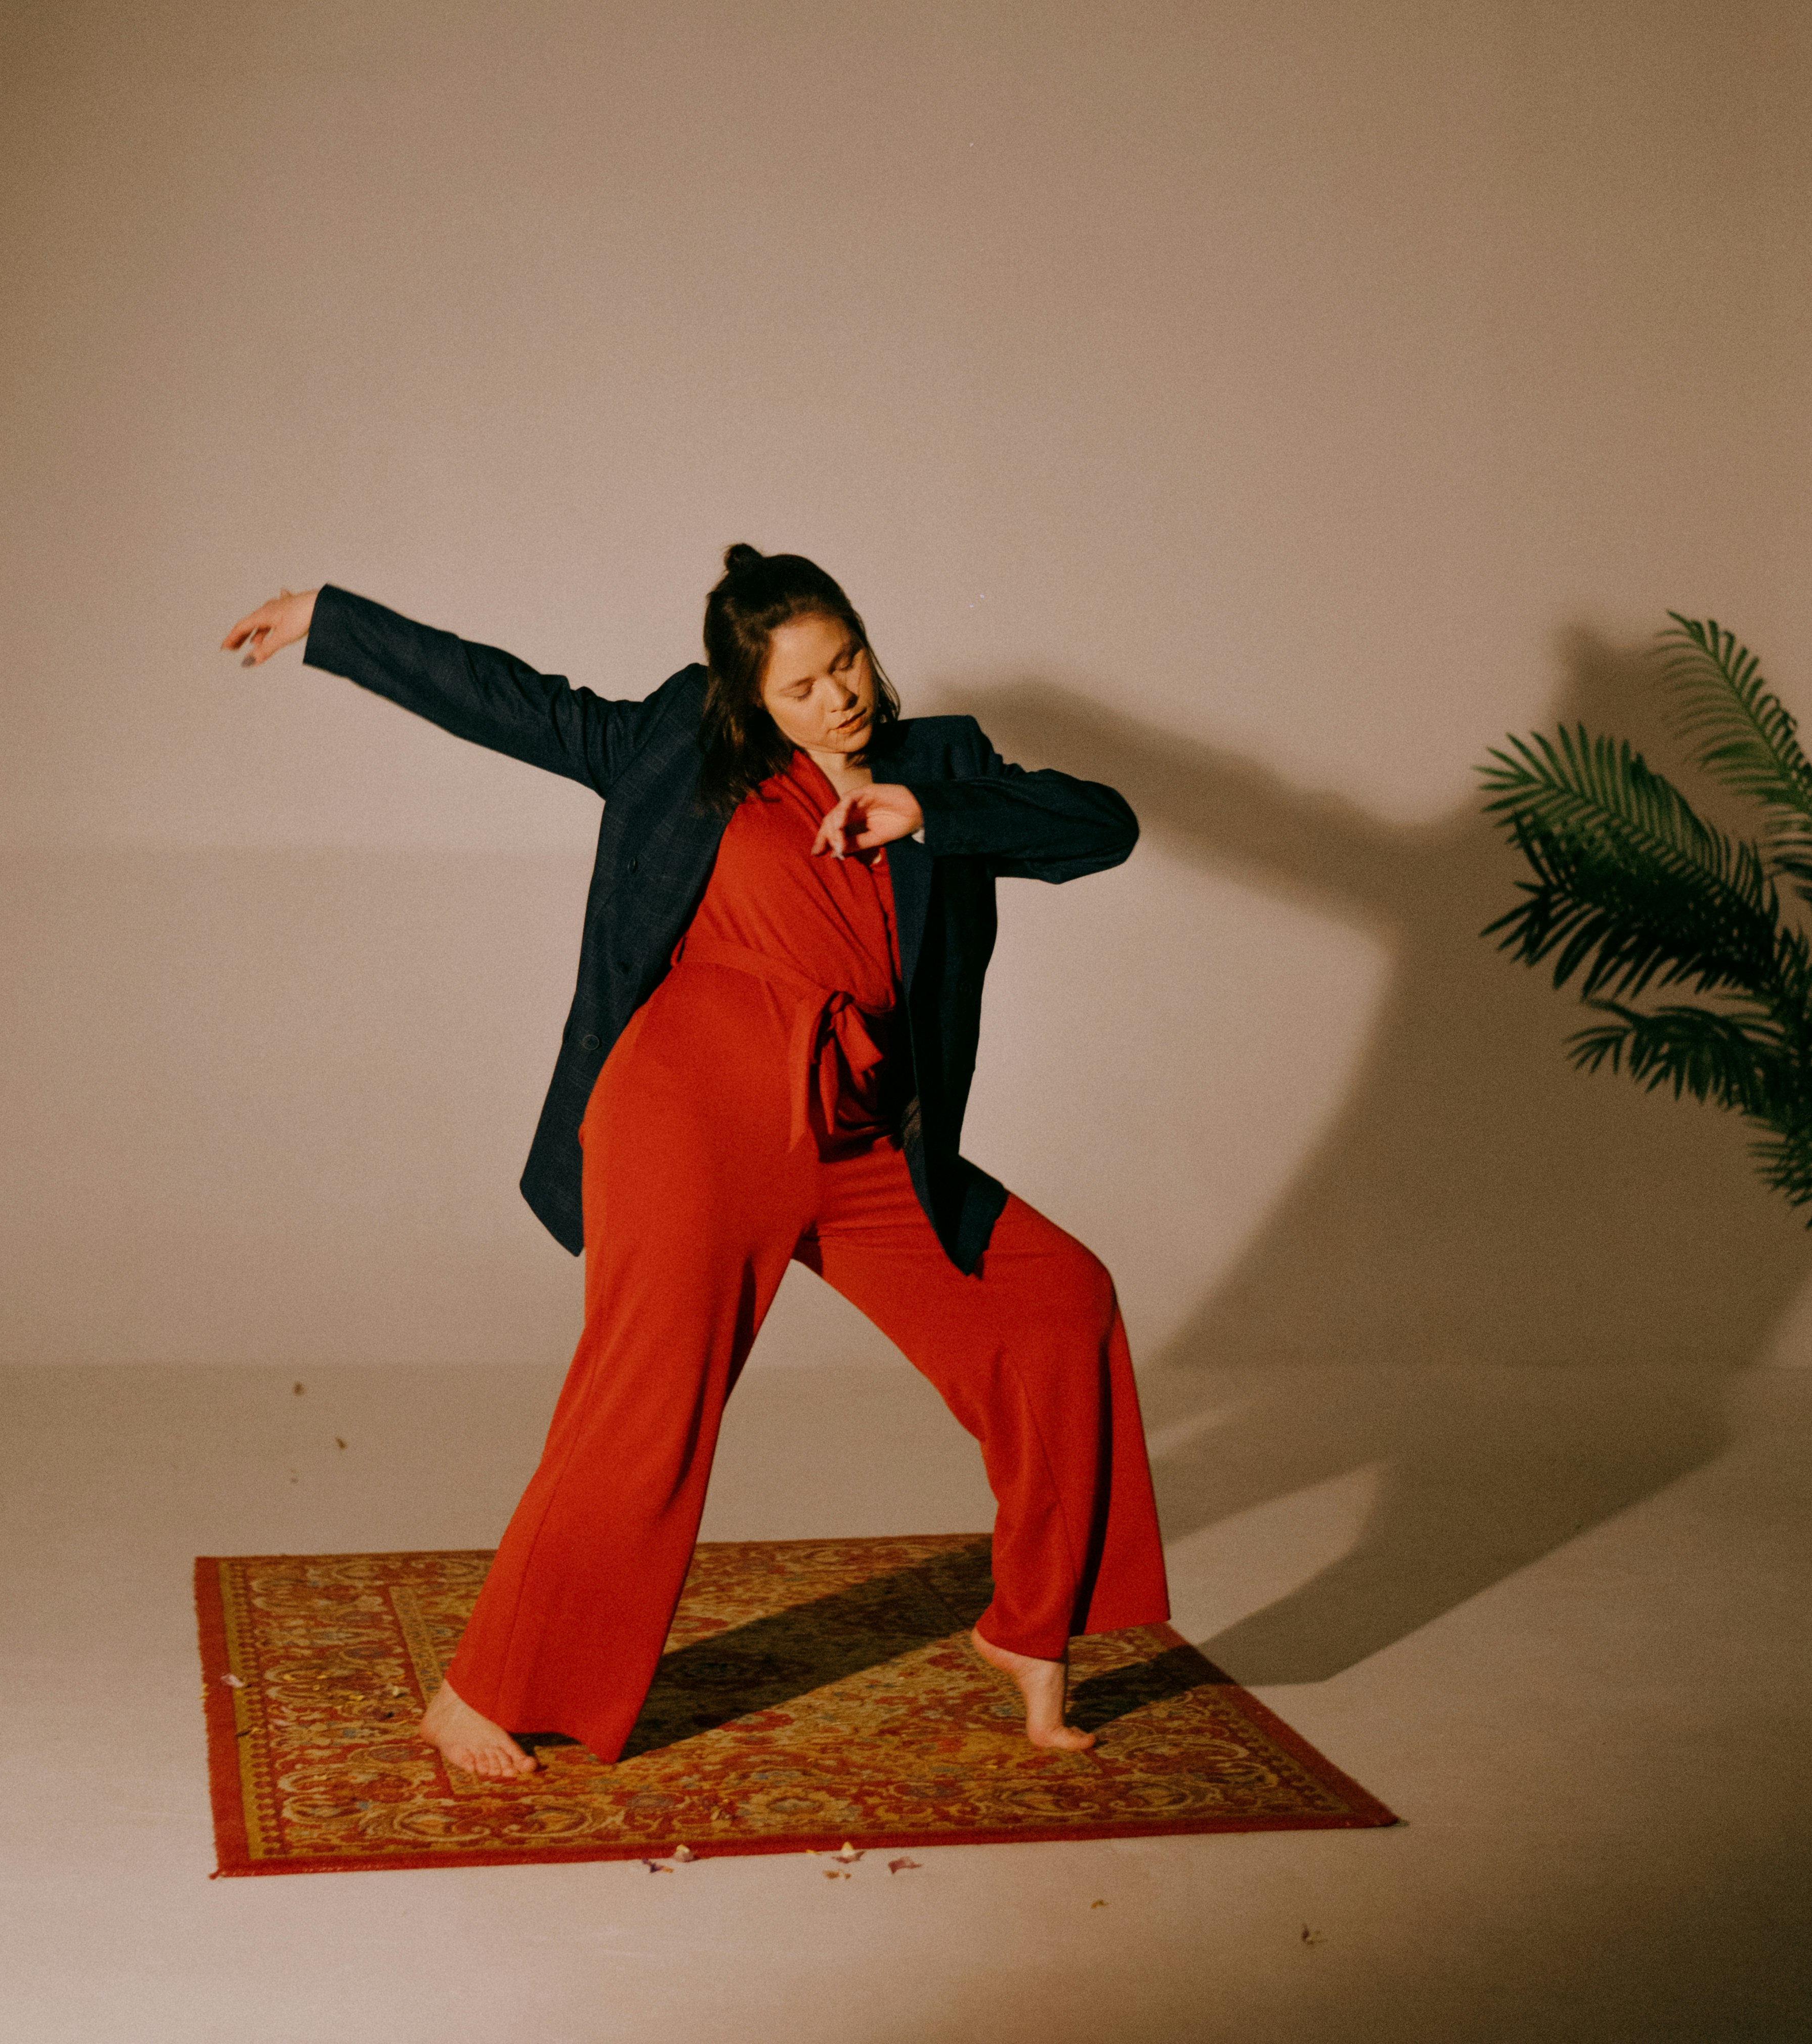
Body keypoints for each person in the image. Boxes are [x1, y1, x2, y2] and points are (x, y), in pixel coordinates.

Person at [221, 547, 1169, 1778]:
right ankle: (480, 1689)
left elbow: (1107, 828)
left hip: (858, 1131)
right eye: (800, 688)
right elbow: (516, 701)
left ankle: (1028, 1633)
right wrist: (329, 622)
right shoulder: (686, 746)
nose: (837, 699)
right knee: (650, 1401)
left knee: (1055, 1301)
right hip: (687, 1111)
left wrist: (928, 810)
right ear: (747, 699)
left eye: (846, 663)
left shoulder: (939, 762)